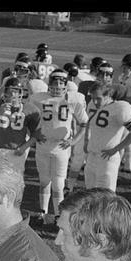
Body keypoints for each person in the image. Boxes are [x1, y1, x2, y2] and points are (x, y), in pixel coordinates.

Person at [29, 69, 88, 221]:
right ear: (49, 84)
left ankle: (57, 215)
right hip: (43, 144)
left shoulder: (73, 99)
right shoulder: (38, 98)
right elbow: (27, 117)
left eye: (60, 84)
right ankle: (42, 212)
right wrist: (34, 133)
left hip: (61, 146)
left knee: (58, 182)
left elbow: (84, 123)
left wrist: (73, 140)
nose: (57, 87)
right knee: (44, 180)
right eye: (54, 84)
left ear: (66, 85)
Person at [81, 81, 131, 192]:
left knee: (106, 197)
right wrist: (86, 141)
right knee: (89, 195)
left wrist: (116, 149)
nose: (95, 101)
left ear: (108, 95)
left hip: (107, 158)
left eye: (98, 98)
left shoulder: (121, 106)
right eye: (93, 98)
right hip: (92, 157)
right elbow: (89, 123)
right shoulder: (94, 104)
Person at [0, 77, 43, 174]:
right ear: (5, 92)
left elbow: (37, 133)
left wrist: (24, 147)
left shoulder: (30, 109)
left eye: (18, 91)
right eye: (11, 91)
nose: (14, 94)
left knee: (15, 184)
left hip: (16, 151)